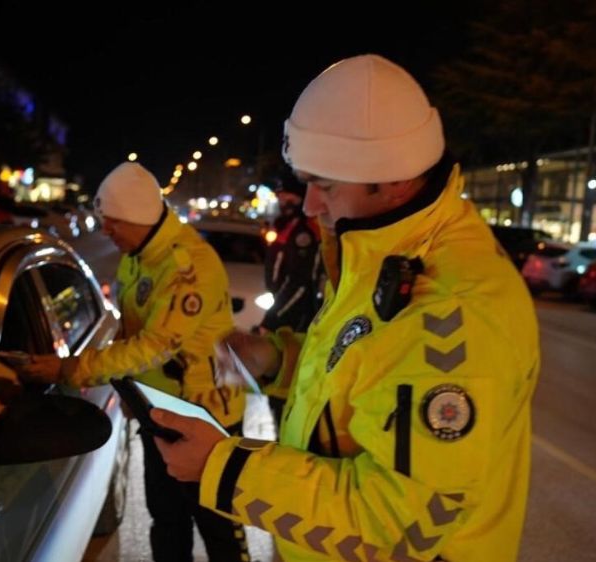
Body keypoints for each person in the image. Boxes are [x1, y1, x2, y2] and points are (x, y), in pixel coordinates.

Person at [151, 54, 540, 562]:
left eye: (325, 185)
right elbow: (362, 377)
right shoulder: (380, 253)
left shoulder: (451, 310)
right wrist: (275, 361)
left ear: (392, 178)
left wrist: (221, 468)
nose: (311, 205)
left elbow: (403, 528)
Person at [14, 162, 250, 562]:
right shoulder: (138, 255)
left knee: (219, 527)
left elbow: (153, 346)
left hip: (206, 416)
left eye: (112, 223)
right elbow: (129, 328)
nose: (105, 232)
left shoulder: (187, 268)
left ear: (137, 218)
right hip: (160, 411)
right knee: (166, 518)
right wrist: (131, 392)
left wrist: (69, 369)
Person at [261, 171, 322, 334]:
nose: (284, 202)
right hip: (284, 306)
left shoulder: (303, 232)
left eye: (289, 198)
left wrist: (272, 319)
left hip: (295, 316)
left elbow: (300, 282)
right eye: (281, 197)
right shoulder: (288, 226)